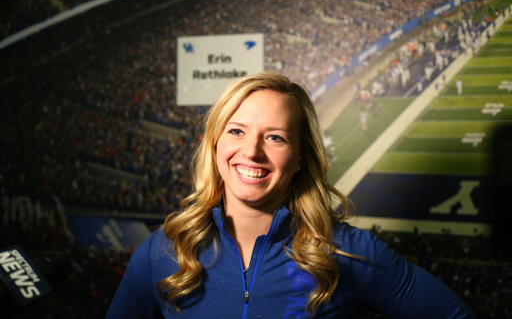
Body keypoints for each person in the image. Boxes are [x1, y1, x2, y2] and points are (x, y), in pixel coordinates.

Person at [106, 72, 476, 318]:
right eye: (236, 131)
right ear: (215, 143)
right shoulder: (161, 253)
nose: (252, 151)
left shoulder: (347, 252)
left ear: (301, 156)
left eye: (275, 137)